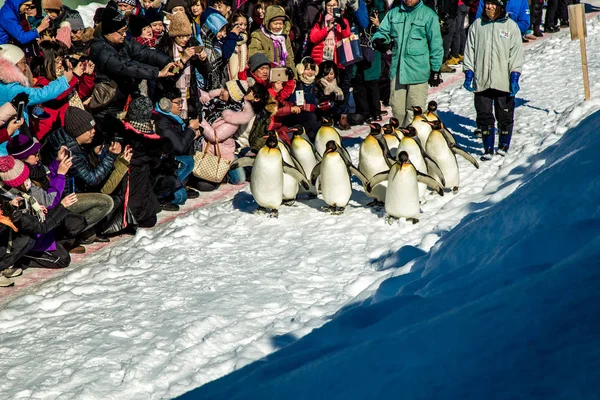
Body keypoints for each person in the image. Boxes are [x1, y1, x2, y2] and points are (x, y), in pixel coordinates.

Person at [89, 7, 175, 123]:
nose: (124, 34)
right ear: (108, 31)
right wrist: (157, 73)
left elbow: (144, 52)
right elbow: (124, 66)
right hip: (107, 104)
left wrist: (168, 61)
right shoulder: (100, 49)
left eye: (125, 30)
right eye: (120, 32)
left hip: (125, 98)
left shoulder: (123, 42)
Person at [463, 0, 523, 160]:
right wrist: (469, 72)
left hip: (503, 79)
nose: (488, 6)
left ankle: (503, 144)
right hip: (482, 79)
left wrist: (514, 76)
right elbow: (470, 50)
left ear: (500, 6)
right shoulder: (477, 25)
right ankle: (488, 148)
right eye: (487, 3)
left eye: (492, 4)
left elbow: (516, 54)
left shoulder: (510, 26)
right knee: (484, 115)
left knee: (504, 114)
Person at [372, 0, 443, 126]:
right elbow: (383, 31)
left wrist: (435, 69)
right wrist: (379, 40)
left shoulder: (429, 15)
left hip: (418, 71)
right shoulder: (394, 13)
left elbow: (436, 44)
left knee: (414, 111)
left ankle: (412, 141)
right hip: (398, 70)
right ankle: (400, 140)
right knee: (397, 111)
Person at [248, 5, 296, 72]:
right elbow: (254, 55)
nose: (278, 26)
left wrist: (293, 77)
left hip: (283, 74)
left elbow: (290, 59)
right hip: (265, 74)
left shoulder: (285, 37)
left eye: (281, 24)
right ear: (268, 23)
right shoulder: (258, 35)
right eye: (275, 24)